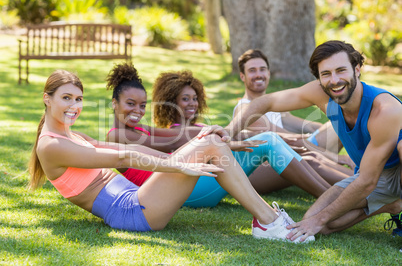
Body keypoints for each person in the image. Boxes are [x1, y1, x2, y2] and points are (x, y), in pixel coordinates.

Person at [29, 69, 315, 243]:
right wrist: (176, 164)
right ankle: (269, 222)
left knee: (210, 140)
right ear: (47, 98)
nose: (74, 106)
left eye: (78, 99)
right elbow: (122, 158)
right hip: (131, 212)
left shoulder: (71, 135)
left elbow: (134, 150)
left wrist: (192, 153)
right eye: (66, 98)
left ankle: (267, 219)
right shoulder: (51, 146)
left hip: (138, 200)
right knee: (209, 144)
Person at [219, 40, 402, 241]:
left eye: (341, 70)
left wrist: (318, 221)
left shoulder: (384, 110)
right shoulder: (322, 93)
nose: (334, 80)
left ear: (356, 69)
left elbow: (367, 182)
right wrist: (227, 132)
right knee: (318, 221)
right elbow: (266, 102)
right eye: (326, 74)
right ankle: (393, 205)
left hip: (395, 168)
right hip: (376, 173)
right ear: (319, 78)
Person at [106, 63, 330, 208]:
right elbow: (175, 140)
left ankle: (333, 196)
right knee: (270, 141)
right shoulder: (117, 136)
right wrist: (229, 142)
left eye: (142, 105)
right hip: (178, 194)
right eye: (130, 104)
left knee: (271, 142)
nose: (137, 111)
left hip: (188, 185)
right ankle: (331, 200)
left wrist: (224, 136)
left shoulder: (138, 130)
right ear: (114, 103)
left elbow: (183, 133)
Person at [151, 69, 344, 196]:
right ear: (171, 102)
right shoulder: (178, 132)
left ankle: (354, 184)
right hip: (231, 177)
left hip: (240, 168)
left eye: (194, 98)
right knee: (307, 158)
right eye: (185, 99)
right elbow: (242, 138)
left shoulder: (201, 127)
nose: (192, 103)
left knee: (307, 156)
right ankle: (346, 193)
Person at [234, 49, 355, 178]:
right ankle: (358, 176)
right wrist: (338, 157)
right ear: (242, 76)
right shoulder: (245, 109)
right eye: (252, 70)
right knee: (333, 132)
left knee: (341, 121)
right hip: (279, 157)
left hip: (297, 148)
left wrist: (333, 131)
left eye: (262, 69)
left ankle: (365, 162)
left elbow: (308, 126)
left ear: (268, 73)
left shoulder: (271, 106)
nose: (258, 74)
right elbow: (289, 140)